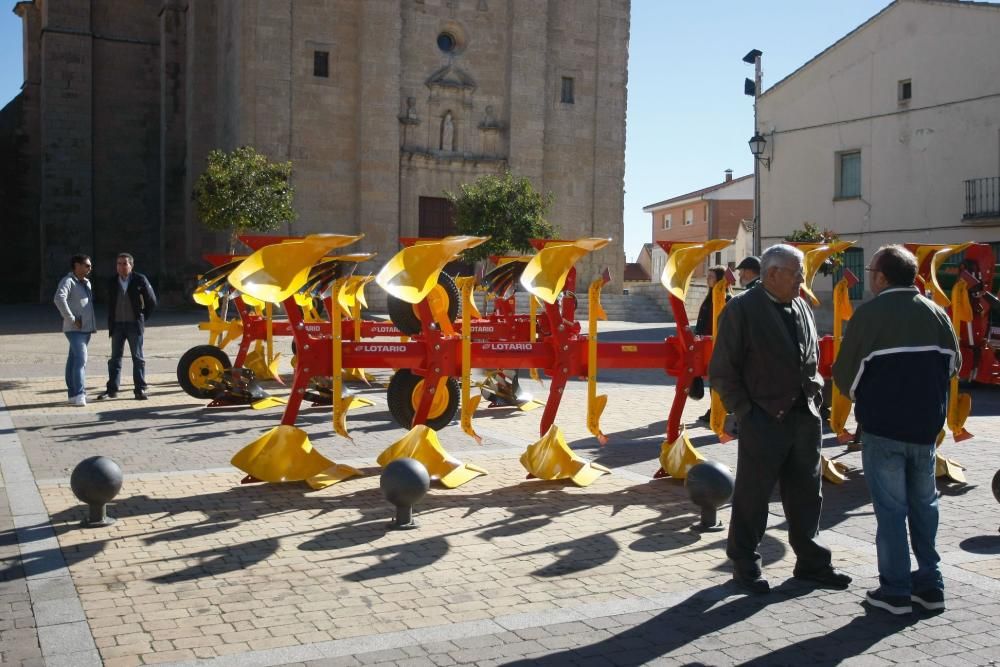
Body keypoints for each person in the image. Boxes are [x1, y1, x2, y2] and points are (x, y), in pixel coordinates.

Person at [709, 244, 851, 594]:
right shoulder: (741, 309)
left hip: (805, 417)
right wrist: (746, 413)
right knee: (753, 497)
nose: (803, 280)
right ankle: (745, 565)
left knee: (807, 494)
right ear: (772, 274)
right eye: (797, 273)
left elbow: (811, 356)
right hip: (763, 418)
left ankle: (811, 563)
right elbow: (723, 371)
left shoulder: (801, 306)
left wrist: (815, 393)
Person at [833, 245, 960, 615]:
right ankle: (930, 586)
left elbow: (846, 377)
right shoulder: (937, 313)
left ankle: (896, 591)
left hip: (883, 429)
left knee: (891, 512)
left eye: (872, 269)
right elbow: (954, 366)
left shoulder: (869, 315)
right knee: (925, 507)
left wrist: (871, 398)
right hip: (925, 431)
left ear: (881, 277)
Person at [99, 253, 157, 400]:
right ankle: (112, 390)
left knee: (137, 358)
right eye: (118, 264)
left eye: (125, 264)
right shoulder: (112, 281)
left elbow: (152, 301)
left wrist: (142, 317)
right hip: (117, 325)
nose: (121, 266)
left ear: (131, 265)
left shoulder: (139, 279)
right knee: (115, 358)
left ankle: (140, 389)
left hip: (133, 325)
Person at [54, 254, 97, 406]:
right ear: (76, 266)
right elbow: (59, 298)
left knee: (73, 360)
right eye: (86, 265)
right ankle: (79, 394)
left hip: (85, 329)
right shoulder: (68, 281)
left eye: (90, 266)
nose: (89, 268)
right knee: (81, 360)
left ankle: (73, 394)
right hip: (74, 329)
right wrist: (71, 319)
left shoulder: (86, 282)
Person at [695, 265, 732, 423]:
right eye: (707, 276)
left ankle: (717, 410)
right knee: (713, 377)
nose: (707, 279)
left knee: (717, 378)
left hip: (719, 345)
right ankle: (716, 409)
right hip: (706, 344)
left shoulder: (727, 298)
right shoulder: (709, 296)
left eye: (711, 277)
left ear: (719, 279)